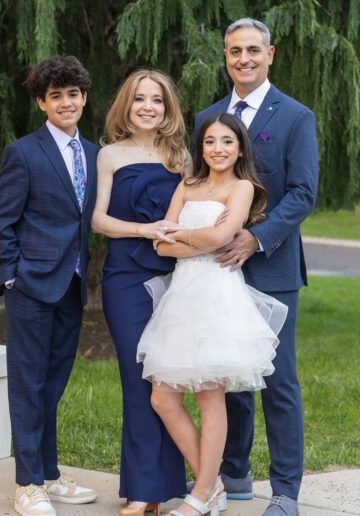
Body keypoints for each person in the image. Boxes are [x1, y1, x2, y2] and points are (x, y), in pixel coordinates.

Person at [193, 18, 319, 516]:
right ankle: (234, 472)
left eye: (252, 50)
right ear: (225, 57)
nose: (242, 59)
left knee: (276, 379)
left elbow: (304, 193)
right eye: (233, 51)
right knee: (229, 378)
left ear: (271, 54)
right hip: (218, 268)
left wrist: (257, 238)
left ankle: (286, 490)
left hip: (271, 264)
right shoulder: (209, 116)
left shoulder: (295, 116)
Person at [137, 113, 288, 516]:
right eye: (209, 141)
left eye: (226, 141)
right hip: (182, 296)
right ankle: (214, 485)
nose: (217, 149)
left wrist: (186, 237)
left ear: (239, 147)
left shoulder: (242, 187)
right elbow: (160, 246)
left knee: (208, 394)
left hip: (216, 294)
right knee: (163, 397)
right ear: (200, 147)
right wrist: (195, 238)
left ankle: (202, 493)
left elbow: (222, 238)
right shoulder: (187, 185)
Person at [0, 56, 99, 516]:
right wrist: (11, 276)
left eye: (73, 94)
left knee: (52, 384)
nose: (66, 102)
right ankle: (27, 483)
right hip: (30, 285)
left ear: (84, 98)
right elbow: (0, 221)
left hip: (71, 286)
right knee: (28, 385)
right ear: (41, 103)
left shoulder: (94, 154)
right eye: (56, 96)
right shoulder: (24, 152)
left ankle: (49, 474)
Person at [91, 69, 191, 516]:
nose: (148, 107)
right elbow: (97, 219)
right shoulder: (109, 155)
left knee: (167, 381)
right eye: (139, 99)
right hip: (125, 278)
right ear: (125, 106)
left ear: (168, 108)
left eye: (157, 100)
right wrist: (143, 229)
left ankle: (168, 486)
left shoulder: (183, 157)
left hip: (175, 279)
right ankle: (142, 490)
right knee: (138, 379)